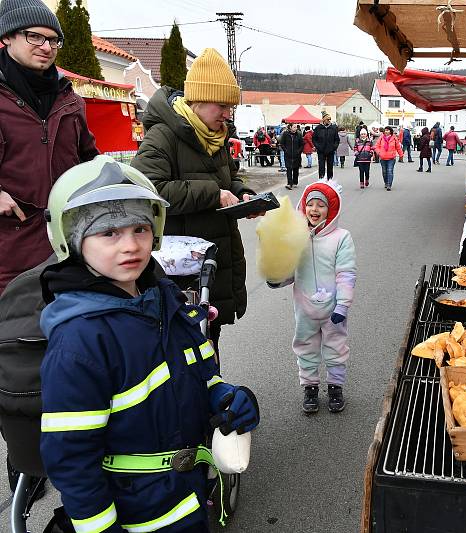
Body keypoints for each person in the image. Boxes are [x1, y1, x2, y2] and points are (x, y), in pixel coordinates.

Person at [38, 156, 260, 533]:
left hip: (186, 498)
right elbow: (72, 459)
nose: (131, 246)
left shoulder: (165, 297)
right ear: (72, 239)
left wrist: (226, 397)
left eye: (140, 228)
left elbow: (201, 366)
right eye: (108, 233)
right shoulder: (80, 341)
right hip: (136, 515)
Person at [132, 48, 259, 353]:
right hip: (178, 272)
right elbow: (149, 189)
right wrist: (213, 194)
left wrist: (243, 194)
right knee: (181, 347)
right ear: (199, 100)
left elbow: (229, 178)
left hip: (213, 261)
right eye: (222, 106)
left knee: (209, 339)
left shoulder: (216, 135)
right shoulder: (163, 135)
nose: (227, 114)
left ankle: (211, 396)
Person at [0, 0, 99, 295]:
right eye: (35, 37)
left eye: (54, 40)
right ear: (6, 37)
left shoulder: (70, 100)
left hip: (66, 244)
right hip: (9, 252)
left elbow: (88, 158)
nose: (46, 46)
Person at [268, 181, 356, 414]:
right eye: (310, 204)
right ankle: (310, 387)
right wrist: (277, 277)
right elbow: (291, 271)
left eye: (321, 205)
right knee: (305, 347)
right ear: (303, 207)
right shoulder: (296, 236)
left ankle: (336, 386)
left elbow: (346, 272)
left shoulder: (341, 237)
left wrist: (343, 305)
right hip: (304, 308)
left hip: (333, 309)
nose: (314, 210)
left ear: (332, 209)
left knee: (336, 347)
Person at [312, 111, 339, 180]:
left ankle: (329, 179)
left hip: (330, 150)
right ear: (324, 120)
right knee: (321, 166)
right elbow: (314, 139)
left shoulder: (333, 128)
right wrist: (318, 146)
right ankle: (321, 178)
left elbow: (337, 139)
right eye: (327, 119)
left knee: (330, 166)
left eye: (330, 119)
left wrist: (334, 147)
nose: (329, 121)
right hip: (321, 150)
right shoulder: (318, 128)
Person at [376, 126, 403, 191]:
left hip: (391, 158)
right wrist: (379, 152)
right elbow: (377, 146)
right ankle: (386, 182)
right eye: (385, 130)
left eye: (388, 130)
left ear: (390, 131)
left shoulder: (394, 138)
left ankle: (389, 185)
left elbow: (398, 147)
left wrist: (401, 155)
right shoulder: (381, 137)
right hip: (383, 158)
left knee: (390, 171)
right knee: (384, 172)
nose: (386, 131)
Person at [280, 122, 303, 190]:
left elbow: (302, 144)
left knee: (296, 169)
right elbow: (282, 143)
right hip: (288, 155)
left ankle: (295, 182)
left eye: (296, 127)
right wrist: (286, 150)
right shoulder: (285, 134)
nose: (296, 128)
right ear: (290, 127)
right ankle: (289, 183)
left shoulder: (299, 134)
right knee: (289, 169)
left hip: (296, 155)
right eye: (294, 127)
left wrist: (299, 151)